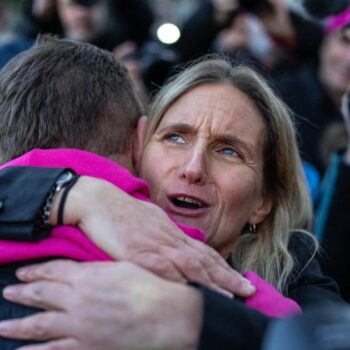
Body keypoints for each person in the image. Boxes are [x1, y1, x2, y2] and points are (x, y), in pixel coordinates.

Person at [0, 56, 343, 349]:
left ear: (263, 201)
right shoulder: (76, 213)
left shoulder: (296, 270)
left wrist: (193, 317)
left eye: (229, 151)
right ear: (139, 150)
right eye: (175, 137)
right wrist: (73, 195)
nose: (193, 169)